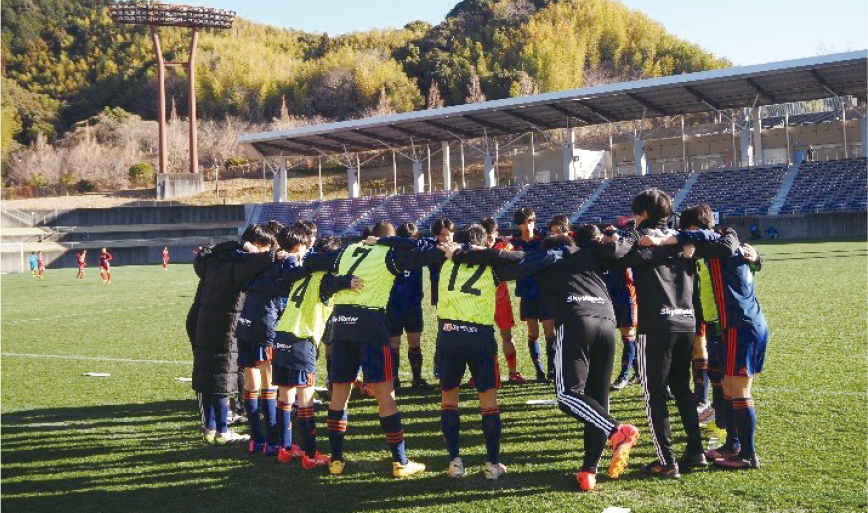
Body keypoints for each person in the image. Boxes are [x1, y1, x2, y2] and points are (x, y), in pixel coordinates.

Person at [304, 222, 446, 478]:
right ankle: (400, 462)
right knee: (385, 396)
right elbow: (427, 248)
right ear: (387, 240)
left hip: (342, 324)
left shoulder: (345, 251)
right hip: (370, 325)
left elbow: (311, 263)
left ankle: (336, 461)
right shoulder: (387, 254)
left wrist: (341, 283)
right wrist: (388, 243)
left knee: (339, 395)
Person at [644, 205, 767, 470]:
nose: (684, 237)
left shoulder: (723, 244)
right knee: (726, 385)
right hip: (720, 325)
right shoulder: (713, 248)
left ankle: (748, 455)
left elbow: (728, 248)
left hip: (739, 324)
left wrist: (755, 257)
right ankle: (733, 444)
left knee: (739, 388)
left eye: (687, 232)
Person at [436, 225, 561, 480]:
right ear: (485, 247)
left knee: (449, 401)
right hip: (480, 338)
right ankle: (492, 465)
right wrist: (556, 254)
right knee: (489, 404)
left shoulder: (443, 262)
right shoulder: (492, 268)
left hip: (448, 336)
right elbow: (528, 264)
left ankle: (455, 463)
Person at [619, 188, 718, 479]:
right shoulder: (681, 239)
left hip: (656, 325)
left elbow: (617, 256)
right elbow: (715, 237)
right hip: (686, 321)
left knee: (655, 394)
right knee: (682, 388)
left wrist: (626, 235)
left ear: (643, 214)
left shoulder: (643, 240)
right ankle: (696, 452)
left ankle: (667, 461)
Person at [257, 229, 359, 469]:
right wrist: (349, 280)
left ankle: (285, 448)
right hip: (302, 339)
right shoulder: (324, 277)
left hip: (281, 335)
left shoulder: (302, 273)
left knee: (285, 395)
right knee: (305, 399)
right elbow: (336, 282)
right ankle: (311, 454)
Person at [188, 232, 277, 446]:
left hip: (204, 324)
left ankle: (210, 428)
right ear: (255, 245)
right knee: (222, 378)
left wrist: (238, 244)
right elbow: (268, 259)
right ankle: (222, 432)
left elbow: (207, 252)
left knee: (208, 377)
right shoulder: (239, 267)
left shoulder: (211, 263)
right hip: (225, 327)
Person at [235, 225, 281, 456]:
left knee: (253, 384)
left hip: (245, 326)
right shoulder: (272, 263)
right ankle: (271, 441)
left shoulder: (244, 263)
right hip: (263, 327)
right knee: (267, 383)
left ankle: (256, 440)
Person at [386, 223, 433, 392]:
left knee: (415, 341)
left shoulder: (419, 254)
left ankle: (417, 378)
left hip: (413, 305)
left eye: (414, 239)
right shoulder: (390, 254)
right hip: (394, 305)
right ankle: (394, 379)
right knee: (394, 343)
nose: (411, 243)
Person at [510, 207, 555, 381]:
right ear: (518, 225)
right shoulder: (513, 244)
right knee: (533, 333)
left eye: (530, 221)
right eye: (523, 222)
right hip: (527, 293)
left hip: (545, 292)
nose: (527, 225)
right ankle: (539, 370)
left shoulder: (543, 239)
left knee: (549, 333)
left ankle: (552, 369)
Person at [480, 217, 526, 384]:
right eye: (485, 237)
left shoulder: (504, 248)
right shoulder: (475, 249)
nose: (488, 241)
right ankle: (478, 374)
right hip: (479, 300)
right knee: (480, 337)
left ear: (497, 234)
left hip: (501, 299)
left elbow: (517, 260)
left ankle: (513, 372)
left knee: (507, 335)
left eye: (491, 237)